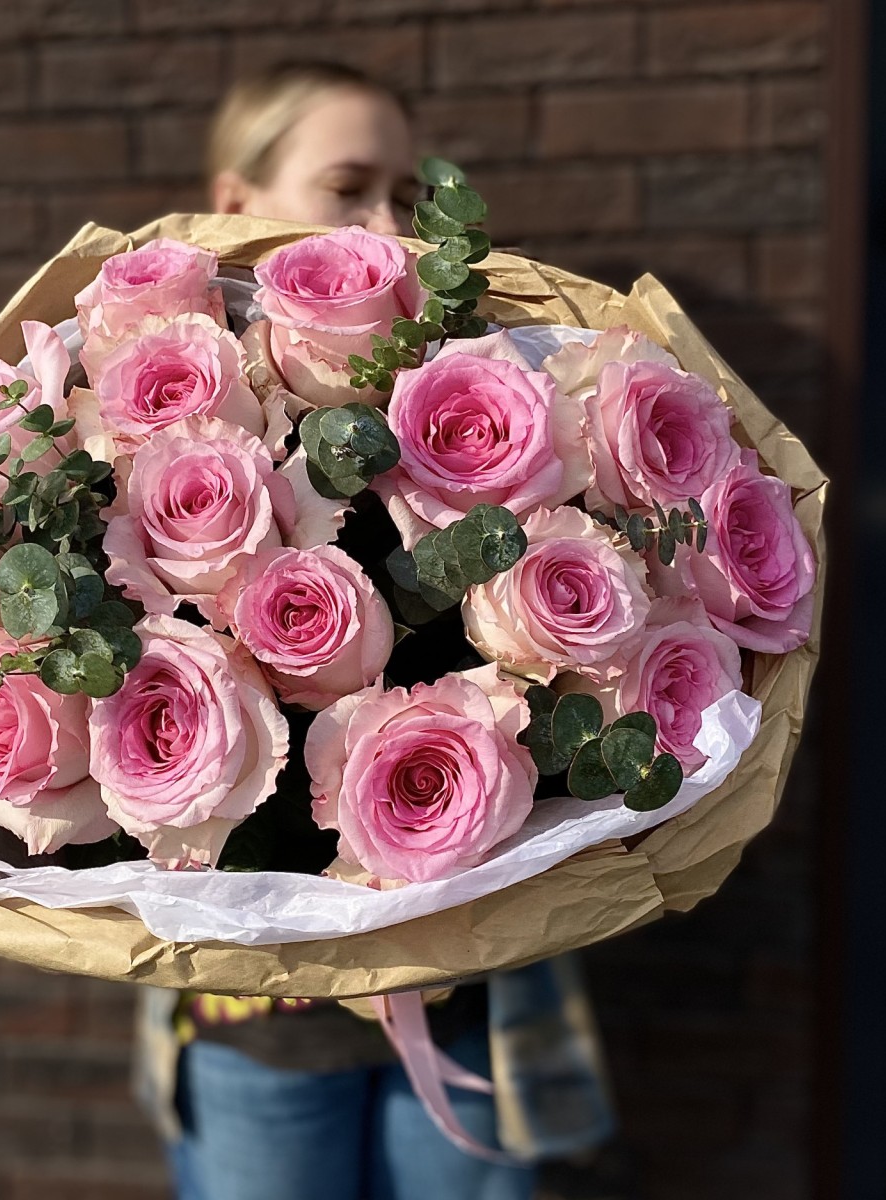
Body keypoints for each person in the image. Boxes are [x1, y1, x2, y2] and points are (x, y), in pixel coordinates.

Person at [132, 62, 619, 1200]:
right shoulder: (159, 424)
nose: (390, 228)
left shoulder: (471, 396)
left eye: (406, 194)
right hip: (260, 1018)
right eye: (348, 187)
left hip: (470, 992)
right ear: (236, 205)